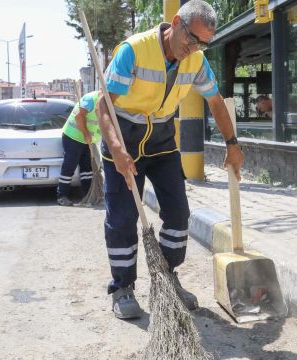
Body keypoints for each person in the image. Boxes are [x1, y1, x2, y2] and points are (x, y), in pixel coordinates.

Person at [97, 0, 244, 319]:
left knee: (178, 213)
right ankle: (122, 288)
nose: (194, 48)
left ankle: (167, 275)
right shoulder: (133, 51)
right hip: (123, 136)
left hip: (161, 140)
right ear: (176, 22)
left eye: (203, 43)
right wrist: (117, 150)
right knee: (122, 219)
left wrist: (232, 143)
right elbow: (103, 107)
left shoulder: (197, 61)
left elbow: (216, 103)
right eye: (192, 39)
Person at [57, 91, 102, 206]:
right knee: (69, 166)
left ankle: (88, 195)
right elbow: (79, 116)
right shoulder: (91, 99)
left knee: (87, 169)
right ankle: (62, 196)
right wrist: (86, 134)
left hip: (89, 140)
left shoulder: (109, 101)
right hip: (73, 136)